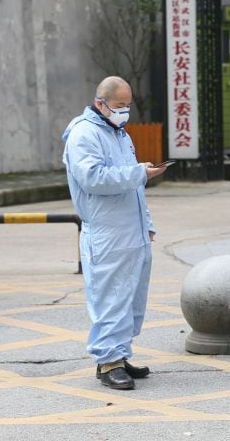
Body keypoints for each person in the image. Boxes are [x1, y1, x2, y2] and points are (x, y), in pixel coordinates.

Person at [62, 76, 167, 390]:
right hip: (106, 230)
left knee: (131, 296)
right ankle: (108, 362)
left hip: (130, 227)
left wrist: (145, 223)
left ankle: (120, 354)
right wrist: (139, 172)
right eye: (119, 106)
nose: (125, 112)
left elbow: (133, 188)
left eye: (127, 106)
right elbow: (93, 178)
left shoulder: (118, 133)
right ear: (100, 103)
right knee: (109, 297)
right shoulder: (84, 134)